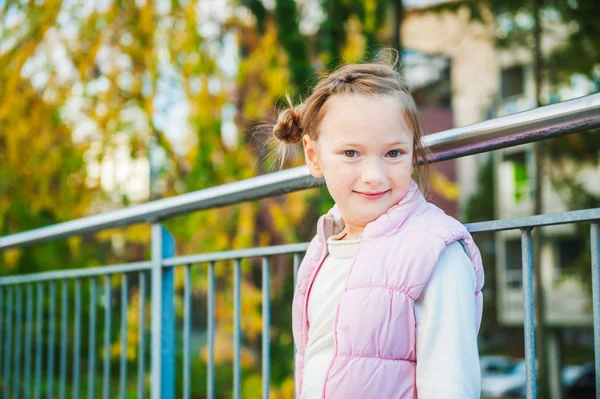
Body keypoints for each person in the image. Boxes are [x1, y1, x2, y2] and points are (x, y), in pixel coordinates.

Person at [270, 60, 485, 399]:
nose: (374, 174)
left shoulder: (436, 251)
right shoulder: (322, 248)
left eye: (394, 153)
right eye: (351, 152)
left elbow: (450, 384)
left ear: (414, 151)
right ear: (313, 156)